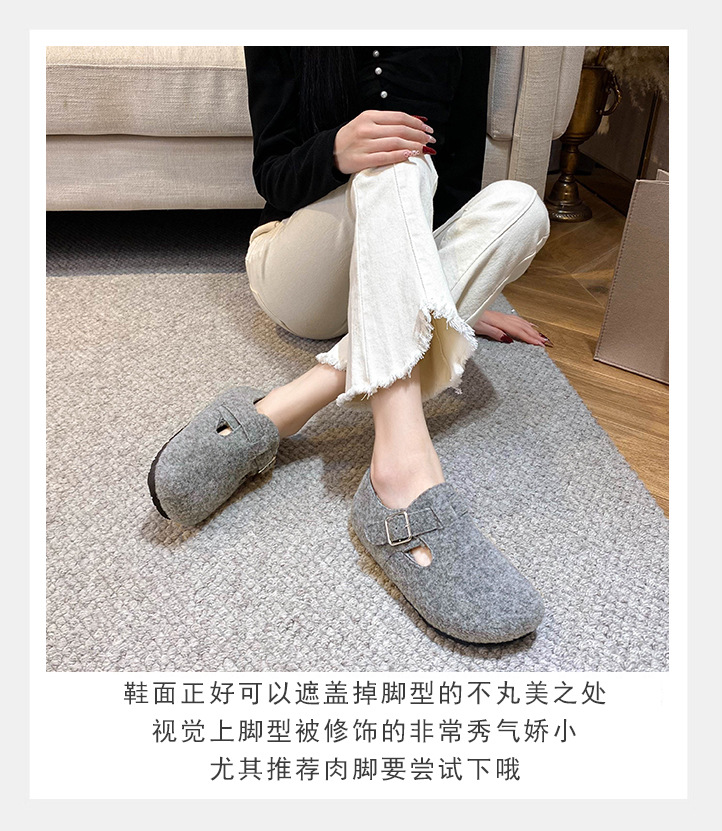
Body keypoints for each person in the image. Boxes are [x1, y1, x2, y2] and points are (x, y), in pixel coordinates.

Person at [148, 46, 550, 644]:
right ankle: (400, 473)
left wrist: (444, 290)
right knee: (397, 163)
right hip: (304, 264)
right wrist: (337, 149)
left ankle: (284, 407)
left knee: (523, 207)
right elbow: (272, 173)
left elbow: (461, 173)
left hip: (399, 251)